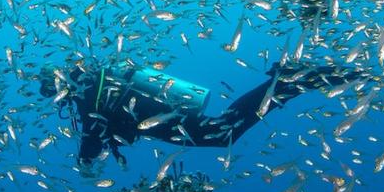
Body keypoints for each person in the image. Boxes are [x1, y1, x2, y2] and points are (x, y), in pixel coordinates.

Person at [39, 60, 363, 167]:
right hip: (161, 115)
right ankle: (289, 82)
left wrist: (84, 161)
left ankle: (284, 81)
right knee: (226, 130)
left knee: (225, 133)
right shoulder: (94, 85)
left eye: (52, 92)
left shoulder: (86, 93)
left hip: (166, 118)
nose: (56, 99)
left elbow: (93, 135)